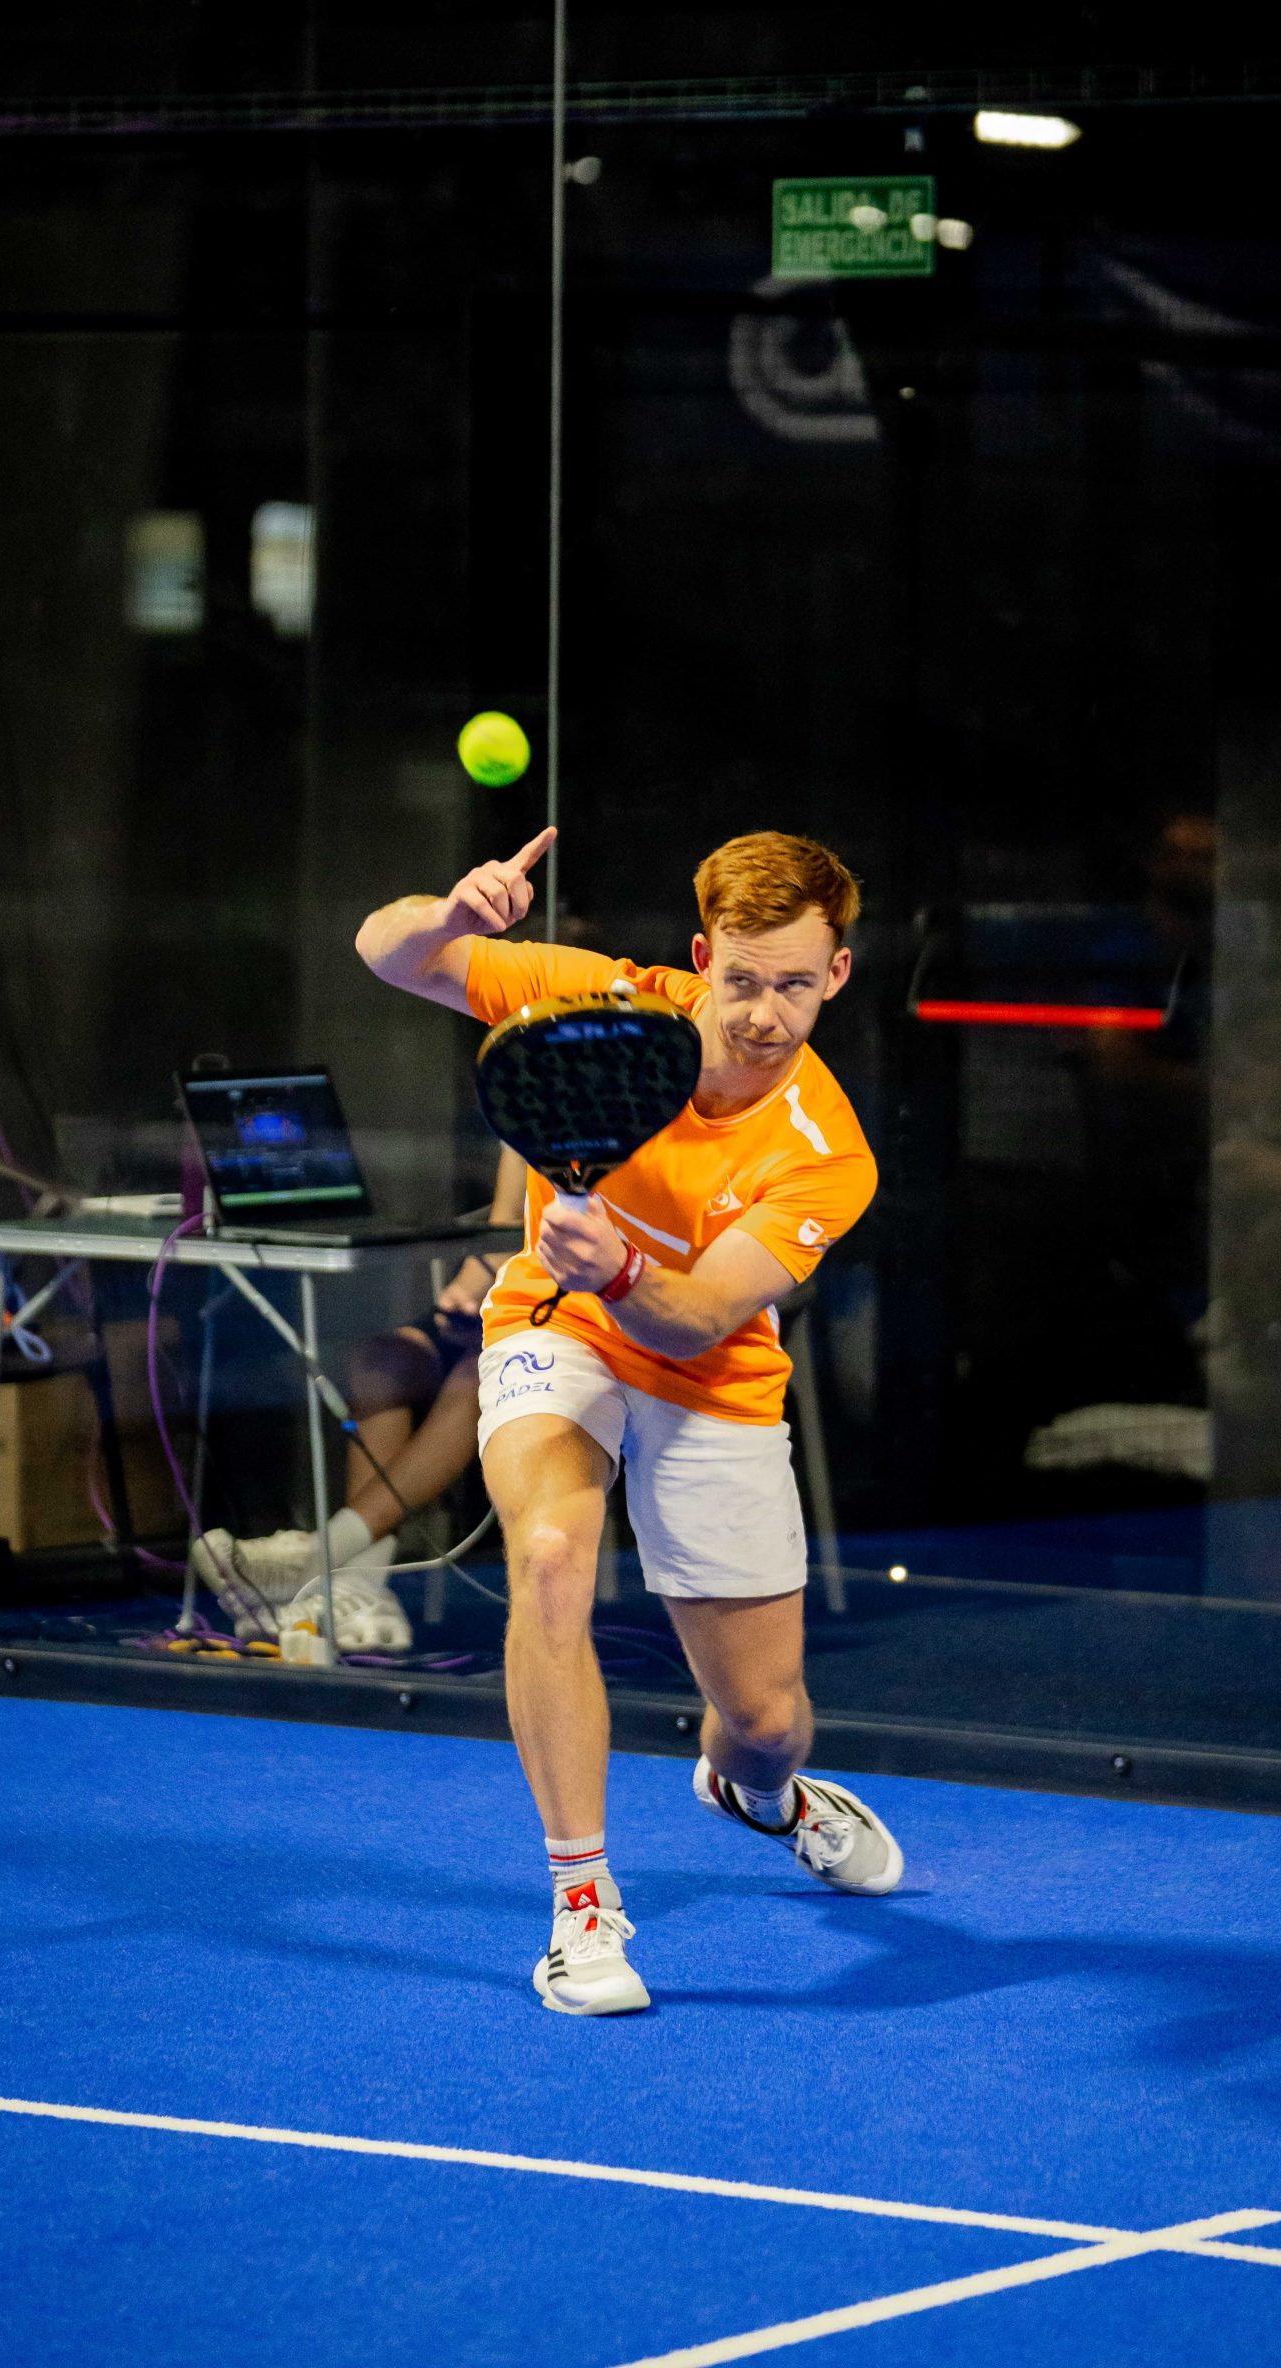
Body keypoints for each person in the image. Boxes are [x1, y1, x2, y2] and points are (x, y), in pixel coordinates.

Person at [354, 825, 902, 2016]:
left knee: (766, 1722)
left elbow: (698, 1317)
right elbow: (384, 951)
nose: (763, 1013)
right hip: (556, 1327)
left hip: (708, 1376)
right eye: (742, 980)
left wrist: (620, 1269)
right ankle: (583, 1906)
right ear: (703, 958)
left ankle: (761, 1794)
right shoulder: (599, 1008)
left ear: (837, 975)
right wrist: (451, 916)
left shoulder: (828, 1153)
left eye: (794, 986)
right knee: (552, 1551)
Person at [191, 1146, 527, 1648]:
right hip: (508, 1303)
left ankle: (320, 1556)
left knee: (480, 1372)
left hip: (579, 1318)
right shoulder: (522, 1127)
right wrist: (463, 1299)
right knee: (382, 1361)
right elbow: (501, 1236)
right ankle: (357, 1588)